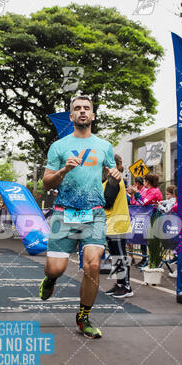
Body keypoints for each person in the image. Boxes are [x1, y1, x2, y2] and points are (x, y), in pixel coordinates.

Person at [39, 95, 118, 339]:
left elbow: (109, 174)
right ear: (71, 116)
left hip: (94, 213)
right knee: (56, 269)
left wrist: (115, 174)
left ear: (93, 115)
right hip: (64, 212)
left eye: (87, 108)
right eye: (77, 109)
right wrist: (64, 170)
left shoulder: (104, 146)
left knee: (93, 265)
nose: (82, 112)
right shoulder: (59, 146)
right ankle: (50, 280)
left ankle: (83, 318)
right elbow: (46, 183)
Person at [103, 156, 133, 298]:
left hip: (117, 224)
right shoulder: (109, 180)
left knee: (120, 256)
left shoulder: (114, 180)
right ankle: (120, 284)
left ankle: (126, 286)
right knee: (116, 256)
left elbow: (107, 202)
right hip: (111, 223)